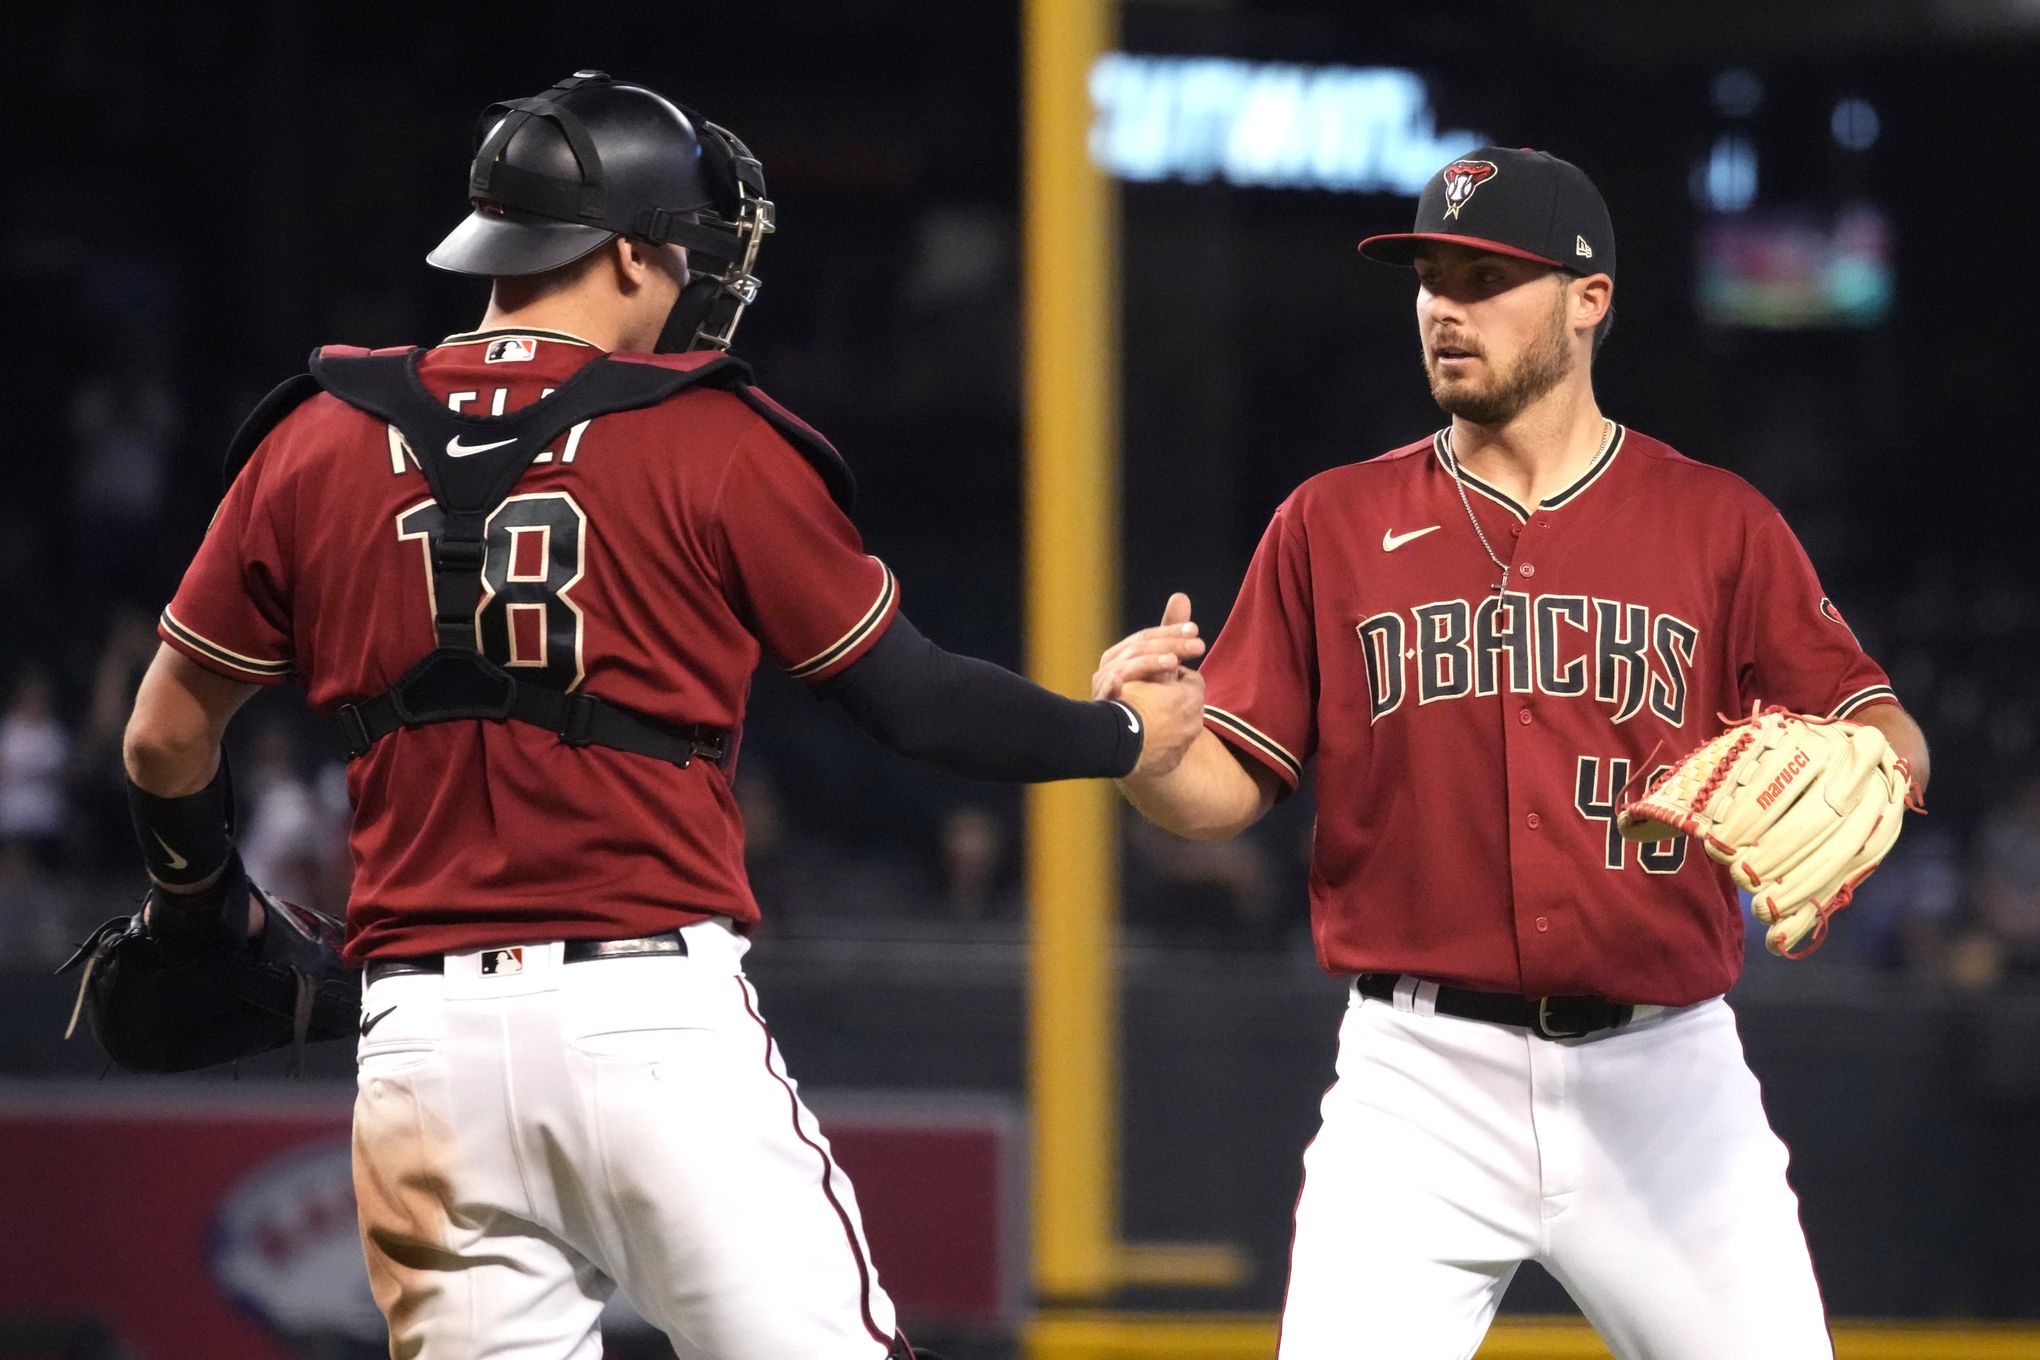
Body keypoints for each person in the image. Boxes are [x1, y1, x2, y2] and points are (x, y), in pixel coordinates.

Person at [119, 71, 1202, 1360]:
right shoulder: (711, 435)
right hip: (645, 1024)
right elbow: (912, 700)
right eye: (684, 246)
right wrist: (1124, 735)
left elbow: (162, 737)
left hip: (418, 1048)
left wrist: (195, 906)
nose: (697, 273)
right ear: (627, 251)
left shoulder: (313, 437)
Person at [1093, 147, 1931, 1358]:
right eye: (1432, 275)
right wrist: (1146, 751)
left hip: (1666, 1074)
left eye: (1487, 277)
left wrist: (1876, 767)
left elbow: (1883, 731)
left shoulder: (1716, 522)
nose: (1446, 306)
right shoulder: (1331, 521)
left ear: (1590, 300)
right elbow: (1224, 790)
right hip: (1417, 1074)